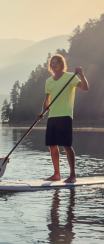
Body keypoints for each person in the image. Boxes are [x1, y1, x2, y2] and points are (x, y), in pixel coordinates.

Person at [36, 54, 89, 183]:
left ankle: (72, 176)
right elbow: (47, 100)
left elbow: (85, 88)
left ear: (61, 64)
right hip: (52, 117)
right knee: (52, 146)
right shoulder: (48, 81)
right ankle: (56, 174)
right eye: (52, 63)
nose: (53, 65)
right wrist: (42, 113)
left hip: (65, 116)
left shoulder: (70, 77)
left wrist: (81, 74)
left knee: (66, 146)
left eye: (56, 62)